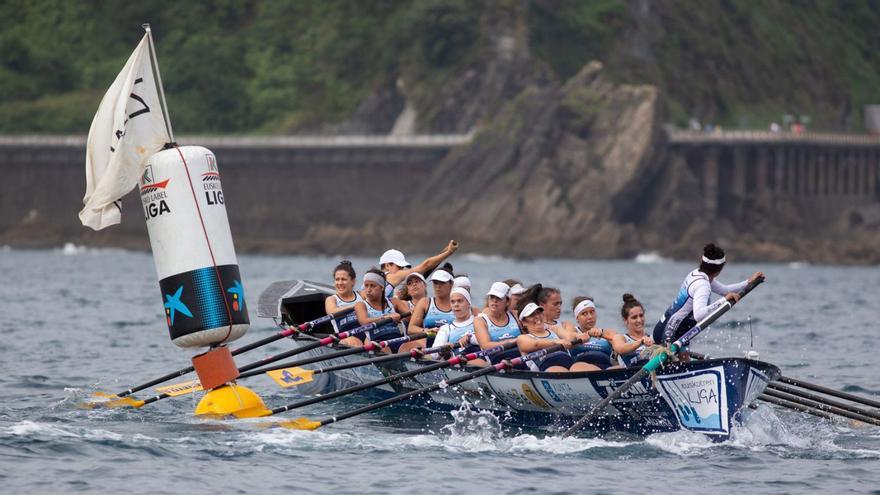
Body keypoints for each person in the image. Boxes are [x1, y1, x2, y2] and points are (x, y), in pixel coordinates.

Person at [653, 243, 764, 348]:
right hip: (671, 333)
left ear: (703, 261)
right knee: (677, 364)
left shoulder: (697, 273)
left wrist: (748, 282)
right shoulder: (703, 286)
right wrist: (723, 301)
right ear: (720, 269)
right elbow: (699, 315)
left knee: (683, 360)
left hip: (668, 326)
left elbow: (725, 290)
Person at [378, 240, 458, 299]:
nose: (401, 270)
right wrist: (449, 252)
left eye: (402, 267)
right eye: (399, 266)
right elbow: (426, 266)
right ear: (387, 265)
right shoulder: (391, 276)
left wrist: (445, 251)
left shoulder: (375, 279)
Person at [347, 268, 404, 351]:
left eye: (372, 286)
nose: (368, 290)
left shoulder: (394, 302)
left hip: (398, 341)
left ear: (382, 287)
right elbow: (364, 322)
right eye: (366, 285)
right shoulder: (361, 305)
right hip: (377, 342)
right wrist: (387, 318)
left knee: (412, 346)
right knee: (385, 349)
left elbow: (412, 317)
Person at [514, 301, 575, 372]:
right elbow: (536, 344)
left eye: (538, 313)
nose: (537, 316)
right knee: (556, 369)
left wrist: (585, 334)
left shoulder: (554, 329)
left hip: (566, 363)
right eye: (531, 315)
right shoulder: (522, 338)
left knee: (580, 365)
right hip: (543, 371)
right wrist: (556, 342)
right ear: (523, 322)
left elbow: (571, 336)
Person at [432, 288, 486, 365]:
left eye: (460, 301)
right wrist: (442, 351)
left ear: (469, 303)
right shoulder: (446, 328)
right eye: (452, 302)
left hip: (481, 362)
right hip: (458, 365)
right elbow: (434, 355)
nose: (456, 304)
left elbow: (490, 341)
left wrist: (470, 338)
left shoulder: (480, 321)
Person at [474, 282, 522, 363]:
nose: (494, 301)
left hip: (520, 357)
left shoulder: (516, 315)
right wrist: (511, 341)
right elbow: (486, 345)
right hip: (497, 359)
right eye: (492, 297)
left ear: (507, 301)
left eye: (499, 298)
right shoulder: (480, 320)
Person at [407, 267, 455, 346]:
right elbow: (411, 328)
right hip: (429, 347)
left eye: (442, 282)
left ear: (451, 284)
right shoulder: (425, 302)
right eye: (435, 282)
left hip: (451, 347)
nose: (438, 286)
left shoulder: (458, 304)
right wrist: (426, 330)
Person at [614, 293, 654, 367]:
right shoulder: (621, 338)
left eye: (641, 315)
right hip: (630, 375)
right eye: (634, 317)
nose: (639, 320)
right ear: (625, 320)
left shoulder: (653, 338)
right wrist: (641, 341)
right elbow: (620, 349)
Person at [323, 260, 364, 332]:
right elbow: (332, 312)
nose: (340, 283)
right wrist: (356, 307)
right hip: (345, 338)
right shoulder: (331, 299)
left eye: (344, 279)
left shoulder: (362, 295)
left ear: (353, 281)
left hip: (366, 334)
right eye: (337, 279)